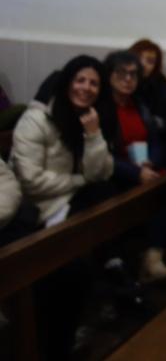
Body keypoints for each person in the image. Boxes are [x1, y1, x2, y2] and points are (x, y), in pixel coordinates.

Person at [11, 55, 117, 360]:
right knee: (72, 268)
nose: (86, 88)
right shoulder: (37, 120)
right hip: (39, 210)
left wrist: (95, 134)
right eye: (80, 80)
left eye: (94, 82)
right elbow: (30, 181)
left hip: (69, 205)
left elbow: (101, 172)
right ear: (68, 81)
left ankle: (105, 275)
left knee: (106, 193)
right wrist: (77, 181)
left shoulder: (88, 118)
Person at [104, 50, 166, 281]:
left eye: (133, 75)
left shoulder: (139, 105)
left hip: (145, 169)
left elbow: (154, 140)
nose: (128, 79)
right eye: (122, 73)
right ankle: (129, 263)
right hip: (117, 175)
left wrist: (152, 162)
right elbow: (104, 157)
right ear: (109, 75)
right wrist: (137, 172)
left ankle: (153, 255)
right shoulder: (103, 109)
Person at [129, 39, 166, 169]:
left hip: (159, 143)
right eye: (139, 58)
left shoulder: (161, 85)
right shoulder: (122, 86)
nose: (143, 64)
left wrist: (159, 124)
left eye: (150, 61)